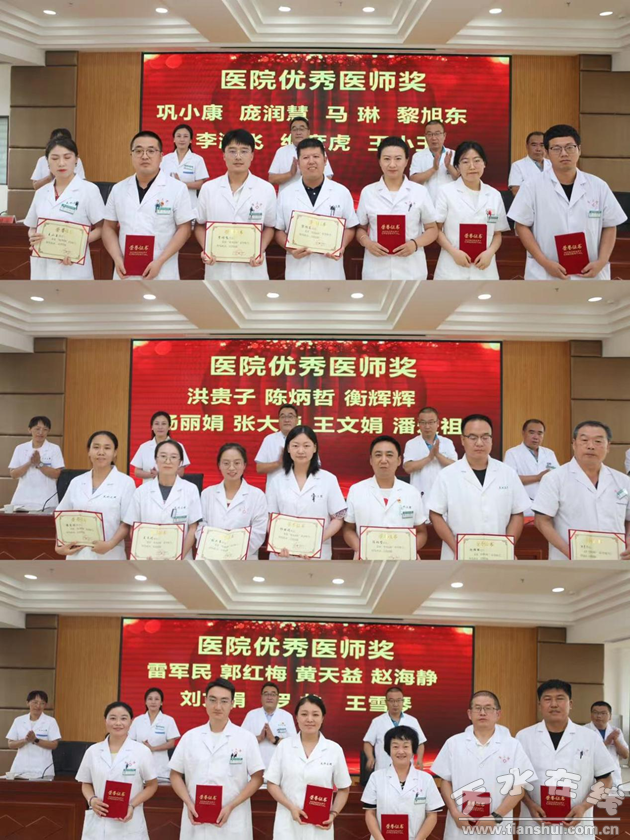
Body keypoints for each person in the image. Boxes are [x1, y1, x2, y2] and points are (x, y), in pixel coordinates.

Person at [509, 124, 627, 280]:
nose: (564, 153)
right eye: (556, 149)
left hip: (591, 273)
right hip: (546, 274)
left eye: (570, 147)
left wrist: (602, 261)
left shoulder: (598, 186)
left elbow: (610, 225)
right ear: (547, 153)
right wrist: (544, 262)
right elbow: (521, 225)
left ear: (579, 149)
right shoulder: (531, 186)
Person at [431, 691, 536, 840]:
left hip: (496, 827)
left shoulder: (512, 745)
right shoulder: (453, 743)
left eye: (488, 708)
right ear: (469, 714)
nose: (482, 713)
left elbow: (519, 788)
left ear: (498, 714)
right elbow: (445, 781)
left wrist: (496, 816)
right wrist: (454, 813)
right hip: (461, 825)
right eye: (477, 708)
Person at [516, 680, 614, 836]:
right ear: (540, 705)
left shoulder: (590, 738)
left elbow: (606, 779)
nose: (554, 704)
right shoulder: (523, 737)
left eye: (560, 698)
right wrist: (529, 804)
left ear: (571, 704)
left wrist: (584, 806)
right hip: (535, 827)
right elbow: (516, 780)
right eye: (547, 699)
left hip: (576, 827)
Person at [169, 678, 264, 840]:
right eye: (212, 700)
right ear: (205, 701)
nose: (218, 706)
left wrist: (231, 806)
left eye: (224, 701)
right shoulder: (190, 737)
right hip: (196, 818)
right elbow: (175, 774)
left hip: (233, 819)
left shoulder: (246, 738)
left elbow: (257, 777)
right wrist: (188, 803)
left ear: (232, 704)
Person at [428, 414, 531, 560]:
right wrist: (457, 549)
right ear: (463, 440)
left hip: (498, 555)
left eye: (485, 437)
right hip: (458, 557)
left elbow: (517, 513)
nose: (479, 443)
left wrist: (507, 547)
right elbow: (435, 514)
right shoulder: (447, 475)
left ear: (492, 440)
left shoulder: (508, 473)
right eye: (473, 437)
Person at [102, 130, 195, 279]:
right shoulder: (118, 189)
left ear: (161, 156)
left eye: (151, 151)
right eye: (138, 151)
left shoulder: (177, 188)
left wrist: (160, 261)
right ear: (131, 155)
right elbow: (108, 227)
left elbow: (184, 228)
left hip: (162, 271)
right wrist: (117, 258)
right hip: (125, 271)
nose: (144, 156)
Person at [533, 420, 630, 559]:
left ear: (608, 446)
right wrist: (570, 553)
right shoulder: (554, 478)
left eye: (598, 441)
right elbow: (541, 521)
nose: (590, 446)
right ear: (574, 444)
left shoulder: (623, 481)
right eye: (584, 440)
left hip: (615, 561)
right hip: (569, 561)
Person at [265, 694, 352, 838]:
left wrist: (333, 814)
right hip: (288, 824)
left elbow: (344, 788)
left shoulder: (334, 749)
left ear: (322, 718)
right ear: (297, 717)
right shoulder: (284, 746)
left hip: (319, 827)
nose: (309, 719)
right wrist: (291, 807)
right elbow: (272, 783)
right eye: (304, 714)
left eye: (315, 714)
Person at [195, 129, 276, 280]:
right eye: (232, 151)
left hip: (252, 271)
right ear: (223, 155)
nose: (238, 156)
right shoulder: (208, 188)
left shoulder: (266, 189)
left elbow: (270, 226)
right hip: (217, 269)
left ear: (252, 155)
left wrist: (260, 249)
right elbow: (199, 224)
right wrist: (206, 248)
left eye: (244, 151)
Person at [275, 138, 358, 280]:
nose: (311, 161)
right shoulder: (285, 194)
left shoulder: (341, 192)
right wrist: (290, 249)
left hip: (331, 270)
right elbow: (278, 230)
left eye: (316, 156)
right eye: (305, 157)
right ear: (298, 163)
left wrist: (341, 246)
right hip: (297, 272)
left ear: (325, 160)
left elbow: (350, 227)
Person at [356, 136, 438, 280]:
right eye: (387, 159)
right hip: (376, 270)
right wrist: (367, 243)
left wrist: (415, 244)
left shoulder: (420, 192)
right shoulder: (368, 192)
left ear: (406, 161)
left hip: (411, 270)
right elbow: (360, 229)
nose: (392, 164)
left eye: (398, 159)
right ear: (379, 161)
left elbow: (432, 229)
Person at [26, 136, 105, 280]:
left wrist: (76, 245)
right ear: (47, 161)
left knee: (72, 294)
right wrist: (33, 236)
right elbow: (32, 227)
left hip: (73, 267)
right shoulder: (41, 192)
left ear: (76, 160)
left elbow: (102, 228)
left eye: (67, 157)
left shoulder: (89, 190)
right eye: (55, 158)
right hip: (42, 267)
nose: (61, 163)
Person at [76, 701, 158, 838]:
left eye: (123, 718)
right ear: (105, 720)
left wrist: (132, 805)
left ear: (131, 721)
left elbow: (152, 785)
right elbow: (86, 783)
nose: (118, 723)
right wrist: (92, 800)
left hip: (129, 823)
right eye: (113, 718)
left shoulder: (142, 751)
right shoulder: (93, 751)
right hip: (99, 822)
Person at [266, 425, 345, 560]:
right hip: (283, 554)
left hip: (316, 554)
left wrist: (317, 541)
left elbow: (338, 517)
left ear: (314, 448)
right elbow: (270, 517)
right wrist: (277, 542)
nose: (301, 451)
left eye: (306, 446)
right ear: (288, 448)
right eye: (295, 445)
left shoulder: (329, 479)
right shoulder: (276, 481)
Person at [433, 141, 510, 280]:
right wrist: (454, 252)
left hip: (484, 268)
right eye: (465, 162)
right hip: (452, 266)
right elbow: (436, 229)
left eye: (477, 160)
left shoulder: (494, 195)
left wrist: (490, 253)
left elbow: (497, 233)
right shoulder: (446, 192)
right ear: (457, 166)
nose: (472, 166)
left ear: (484, 163)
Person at [344, 435, 428, 560]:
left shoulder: (412, 492)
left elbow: (422, 532)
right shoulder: (356, 490)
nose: (383, 460)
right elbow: (348, 529)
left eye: (389, 455)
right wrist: (360, 548)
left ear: (399, 460)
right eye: (378, 455)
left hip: (403, 562)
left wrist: (408, 549)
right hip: (365, 561)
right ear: (371, 460)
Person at [55, 430, 135, 560]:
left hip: (109, 556)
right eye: (96, 447)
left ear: (115, 452)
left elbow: (127, 522)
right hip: (77, 555)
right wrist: (58, 545)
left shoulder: (126, 483)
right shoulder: (76, 482)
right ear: (89, 451)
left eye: (107, 448)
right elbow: (62, 516)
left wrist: (110, 544)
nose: (101, 452)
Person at [123, 440, 202, 560]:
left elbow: (193, 528)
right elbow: (134, 528)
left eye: (173, 457)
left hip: (181, 562)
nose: (168, 461)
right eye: (163, 456)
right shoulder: (141, 491)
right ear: (156, 460)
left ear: (180, 462)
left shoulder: (191, 489)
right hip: (148, 560)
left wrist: (178, 557)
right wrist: (143, 553)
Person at [362, 725, 443, 840]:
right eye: (395, 746)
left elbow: (432, 815)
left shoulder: (426, 779)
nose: (400, 751)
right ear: (388, 749)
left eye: (406, 746)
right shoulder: (376, 777)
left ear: (413, 749)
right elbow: (370, 813)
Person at [198, 443, 268, 558]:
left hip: (244, 559)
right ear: (219, 465)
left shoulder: (257, 495)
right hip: (212, 557)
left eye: (237, 463)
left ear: (244, 465)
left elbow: (258, 532)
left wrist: (234, 551)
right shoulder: (207, 494)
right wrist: (216, 549)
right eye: (226, 463)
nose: (231, 468)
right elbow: (200, 527)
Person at [363, 686, 426, 774]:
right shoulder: (377, 721)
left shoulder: (412, 721)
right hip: (383, 767)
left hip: (406, 769)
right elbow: (368, 742)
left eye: (398, 700)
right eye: (391, 701)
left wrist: (419, 759)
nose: (395, 704)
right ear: (386, 702)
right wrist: (370, 757)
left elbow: (420, 743)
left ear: (403, 701)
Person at [504, 419, 560, 517]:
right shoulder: (512, 453)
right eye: (531, 432)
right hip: (524, 507)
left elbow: (559, 477)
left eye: (540, 433)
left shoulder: (549, 453)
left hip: (547, 506)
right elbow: (509, 480)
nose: (536, 437)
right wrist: (537, 477)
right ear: (523, 433)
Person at [8, 415, 64, 510]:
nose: (41, 432)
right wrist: (29, 463)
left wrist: (39, 464)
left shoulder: (54, 449)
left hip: (46, 500)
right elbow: (13, 474)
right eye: (37, 429)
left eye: (45, 429)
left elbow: (57, 474)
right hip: (22, 499)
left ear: (48, 431)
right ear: (29, 429)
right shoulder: (20, 448)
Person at [403, 406, 458, 501]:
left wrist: (438, 455)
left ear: (437, 423)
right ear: (418, 423)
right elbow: (407, 468)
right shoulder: (411, 444)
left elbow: (455, 467)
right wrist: (429, 458)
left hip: (443, 494)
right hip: (420, 494)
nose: (427, 426)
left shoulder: (447, 442)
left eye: (431, 422)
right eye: (423, 422)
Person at [268, 116, 334, 192]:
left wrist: (310, 174)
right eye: (294, 129)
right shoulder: (281, 151)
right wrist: (290, 174)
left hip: (313, 195)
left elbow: (328, 176)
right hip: (288, 197)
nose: (298, 132)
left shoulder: (317, 149)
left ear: (308, 132)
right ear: (291, 133)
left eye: (302, 129)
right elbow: (272, 179)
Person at [6, 690, 61, 778]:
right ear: (27, 703)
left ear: (45, 705)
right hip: (20, 767)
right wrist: (25, 740)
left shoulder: (51, 721)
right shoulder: (18, 720)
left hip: (42, 768)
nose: (38, 706)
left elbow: (54, 745)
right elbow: (10, 744)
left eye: (42, 703)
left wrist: (35, 740)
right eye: (35, 702)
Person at [241, 682, 297, 768]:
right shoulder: (251, 715)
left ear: (278, 698)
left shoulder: (287, 716)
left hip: (280, 766)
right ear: (261, 697)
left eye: (273, 694)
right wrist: (259, 738)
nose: (269, 697)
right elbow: (241, 741)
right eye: (266, 694)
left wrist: (274, 739)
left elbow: (293, 744)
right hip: (254, 766)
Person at [129, 687, 181, 781]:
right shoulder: (137, 720)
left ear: (161, 703)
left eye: (156, 699)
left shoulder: (168, 720)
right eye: (150, 699)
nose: (153, 702)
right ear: (145, 702)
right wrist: (143, 748)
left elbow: (171, 743)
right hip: (139, 765)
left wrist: (153, 748)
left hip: (160, 768)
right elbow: (130, 741)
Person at [160, 123, 209, 214]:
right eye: (178, 136)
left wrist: (181, 184)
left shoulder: (197, 159)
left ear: (190, 140)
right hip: (167, 204)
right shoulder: (165, 159)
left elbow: (200, 184)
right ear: (174, 139)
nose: (182, 139)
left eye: (185, 136)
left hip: (189, 204)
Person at [130, 411, 191, 483]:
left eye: (164, 424)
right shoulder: (144, 447)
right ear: (152, 427)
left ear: (169, 427)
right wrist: (152, 474)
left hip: (172, 486)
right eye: (156, 424)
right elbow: (137, 472)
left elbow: (181, 472)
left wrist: (160, 475)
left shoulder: (178, 446)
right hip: (149, 487)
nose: (160, 427)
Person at [409, 120, 458, 203]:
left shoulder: (453, 154)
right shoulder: (418, 156)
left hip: (450, 202)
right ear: (425, 136)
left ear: (444, 135)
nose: (434, 138)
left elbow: (461, 180)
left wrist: (449, 166)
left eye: (437, 133)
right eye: (429, 134)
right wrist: (433, 169)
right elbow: (413, 180)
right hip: (425, 202)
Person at [585, 701, 629, 789]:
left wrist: (615, 740)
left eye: (603, 713)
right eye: (595, 712)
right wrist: (607, 742)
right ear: (591, 715)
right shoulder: (584, 731)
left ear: (610, 716)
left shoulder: (616, 731)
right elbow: (585, 754)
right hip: (592, 777)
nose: (599, 716)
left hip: (613, 776)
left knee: (614, 798)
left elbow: (625, 755)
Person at [255, 404, 300, 489]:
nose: (286, 420)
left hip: (299, 490)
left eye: (290, 416)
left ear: (297, 420)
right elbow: (259, 468)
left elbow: (315, 465)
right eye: (283, 416)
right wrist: (278, 463)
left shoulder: (304, 439)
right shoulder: (269, 439)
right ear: (278, 420)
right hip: (275, 491)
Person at [508, 132, 552, 196]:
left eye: (542, 145)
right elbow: (516, 191)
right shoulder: (517, 165)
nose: (538, 149)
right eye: (534, 145)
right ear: (527, 146)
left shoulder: (552, 164)